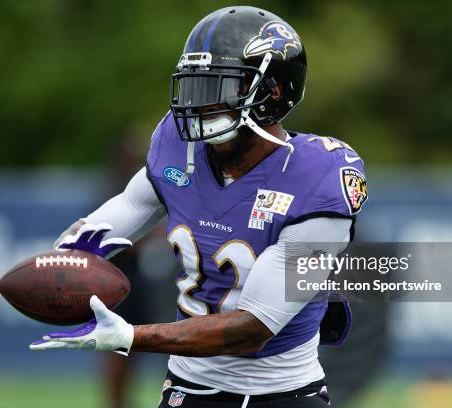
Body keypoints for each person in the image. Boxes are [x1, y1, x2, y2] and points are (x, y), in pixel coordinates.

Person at [30, 6, 368, 407]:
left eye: (218, 87)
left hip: (285, 394)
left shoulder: (318, 178)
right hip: (189, 390)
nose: (199, 104)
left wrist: (131, 337)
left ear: (272, 93)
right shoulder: (179, 147)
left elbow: (253, 329)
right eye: (195, 86)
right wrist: (62, 261)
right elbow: (122, 211)